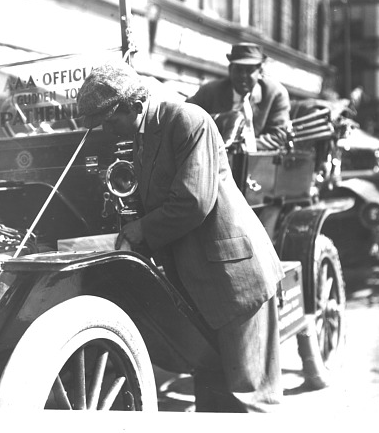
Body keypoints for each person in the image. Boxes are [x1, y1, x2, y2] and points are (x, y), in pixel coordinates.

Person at [77, 61, 285, 412]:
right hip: (202, 280)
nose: (107, 130)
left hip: (235, 279)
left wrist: (140, 230)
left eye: (110, 120)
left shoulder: (187, 120)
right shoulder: (143, 136)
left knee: (249, 400)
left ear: (134, 104)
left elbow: (192, 201)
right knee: (212, 398)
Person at [187, 42, 291, 151]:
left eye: (249, 70)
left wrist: (244, 146)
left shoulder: (275, 94)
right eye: (238, 69)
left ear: (260, 71)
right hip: (216, 157)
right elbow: (188, 119)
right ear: (230, 70)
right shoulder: (209, 91)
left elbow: (279, 136)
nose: (243, 76)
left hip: (257, 162)